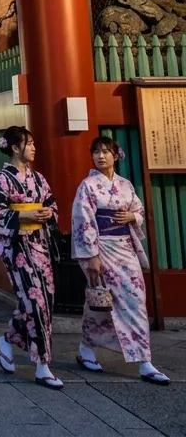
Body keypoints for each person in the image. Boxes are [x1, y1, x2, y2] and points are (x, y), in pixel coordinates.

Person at [72, 136, 169, 384]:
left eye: (105, 151)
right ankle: (90, 350)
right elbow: (83, 221)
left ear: (116, 155)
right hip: (102, 248)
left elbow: (138, 210)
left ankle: (142, 360)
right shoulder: (88, 185)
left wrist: (132, 218)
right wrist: (91, 256)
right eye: (96, 152)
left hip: (125, 248)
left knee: (135, 299)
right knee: (102, 301)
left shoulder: (126, 185)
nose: (100, 156)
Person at [0, 125, 62, 390]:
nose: (33, 147)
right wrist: (23, 216)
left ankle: (7, 340)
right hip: (16, 246)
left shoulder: (39, 179)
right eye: (28, 143)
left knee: (45, 301)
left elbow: (51, 204)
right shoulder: (1, 179)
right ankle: (43, 365)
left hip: (39, 244)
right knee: (35, 301)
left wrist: (48, 214)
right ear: (15, 148)